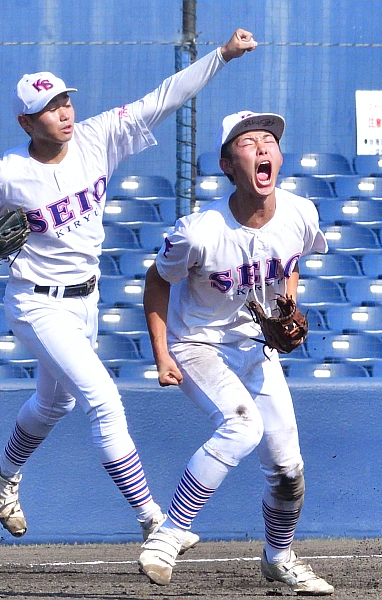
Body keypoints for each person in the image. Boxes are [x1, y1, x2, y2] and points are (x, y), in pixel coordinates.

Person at [0, 30, 257, 543]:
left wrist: (222, 55)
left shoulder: (98, 136)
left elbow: (165, 97)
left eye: (65, 100)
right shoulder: (7, 173)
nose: (63, 112)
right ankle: (152, 520)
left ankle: (3, 472)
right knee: (103, 400)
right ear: (25, 122)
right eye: (48, 107)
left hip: (86, 302)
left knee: (53, 403)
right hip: (36, 303)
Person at [137, 111, 334, 595]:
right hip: (198, 343)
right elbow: (156, 282)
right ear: (227, 164)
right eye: (249, 143)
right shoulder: (199, 230)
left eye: (270, 140)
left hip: (254, 345)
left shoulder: (300, 213)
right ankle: (169, 534)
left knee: (289, 471)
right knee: (243, 426)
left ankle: (279, 557)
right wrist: (162, 354)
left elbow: (290, 264)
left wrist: (287, 307)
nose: (264, 148)